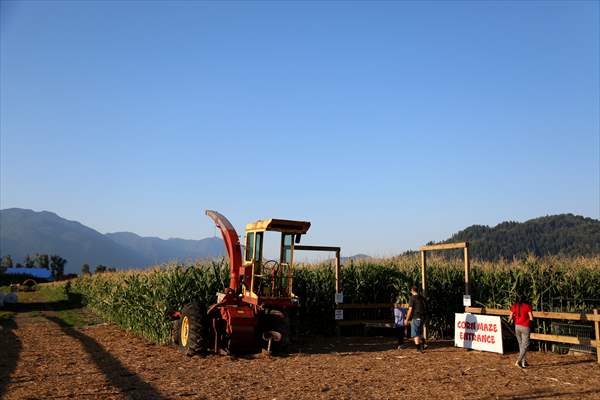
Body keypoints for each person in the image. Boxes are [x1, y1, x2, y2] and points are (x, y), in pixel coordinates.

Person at [509, 294, 534, 368]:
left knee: (521, 345)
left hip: (517, 327)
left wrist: (514, 318)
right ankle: (518, 361)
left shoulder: (514, 306)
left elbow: (510, 317)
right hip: (525, 327)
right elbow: (531, 318)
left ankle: (523, 362)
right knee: (525, 345)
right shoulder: (527, 306)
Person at [405, 286, 427, 352]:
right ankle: (423, 343)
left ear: (412, 291)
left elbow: (410, 309)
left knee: (415, 334)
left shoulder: (412, 298)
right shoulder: (422, 298)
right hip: (423, 318)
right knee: (419, 332)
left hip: (416, 317)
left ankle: (418, 349)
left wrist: (406, 319)